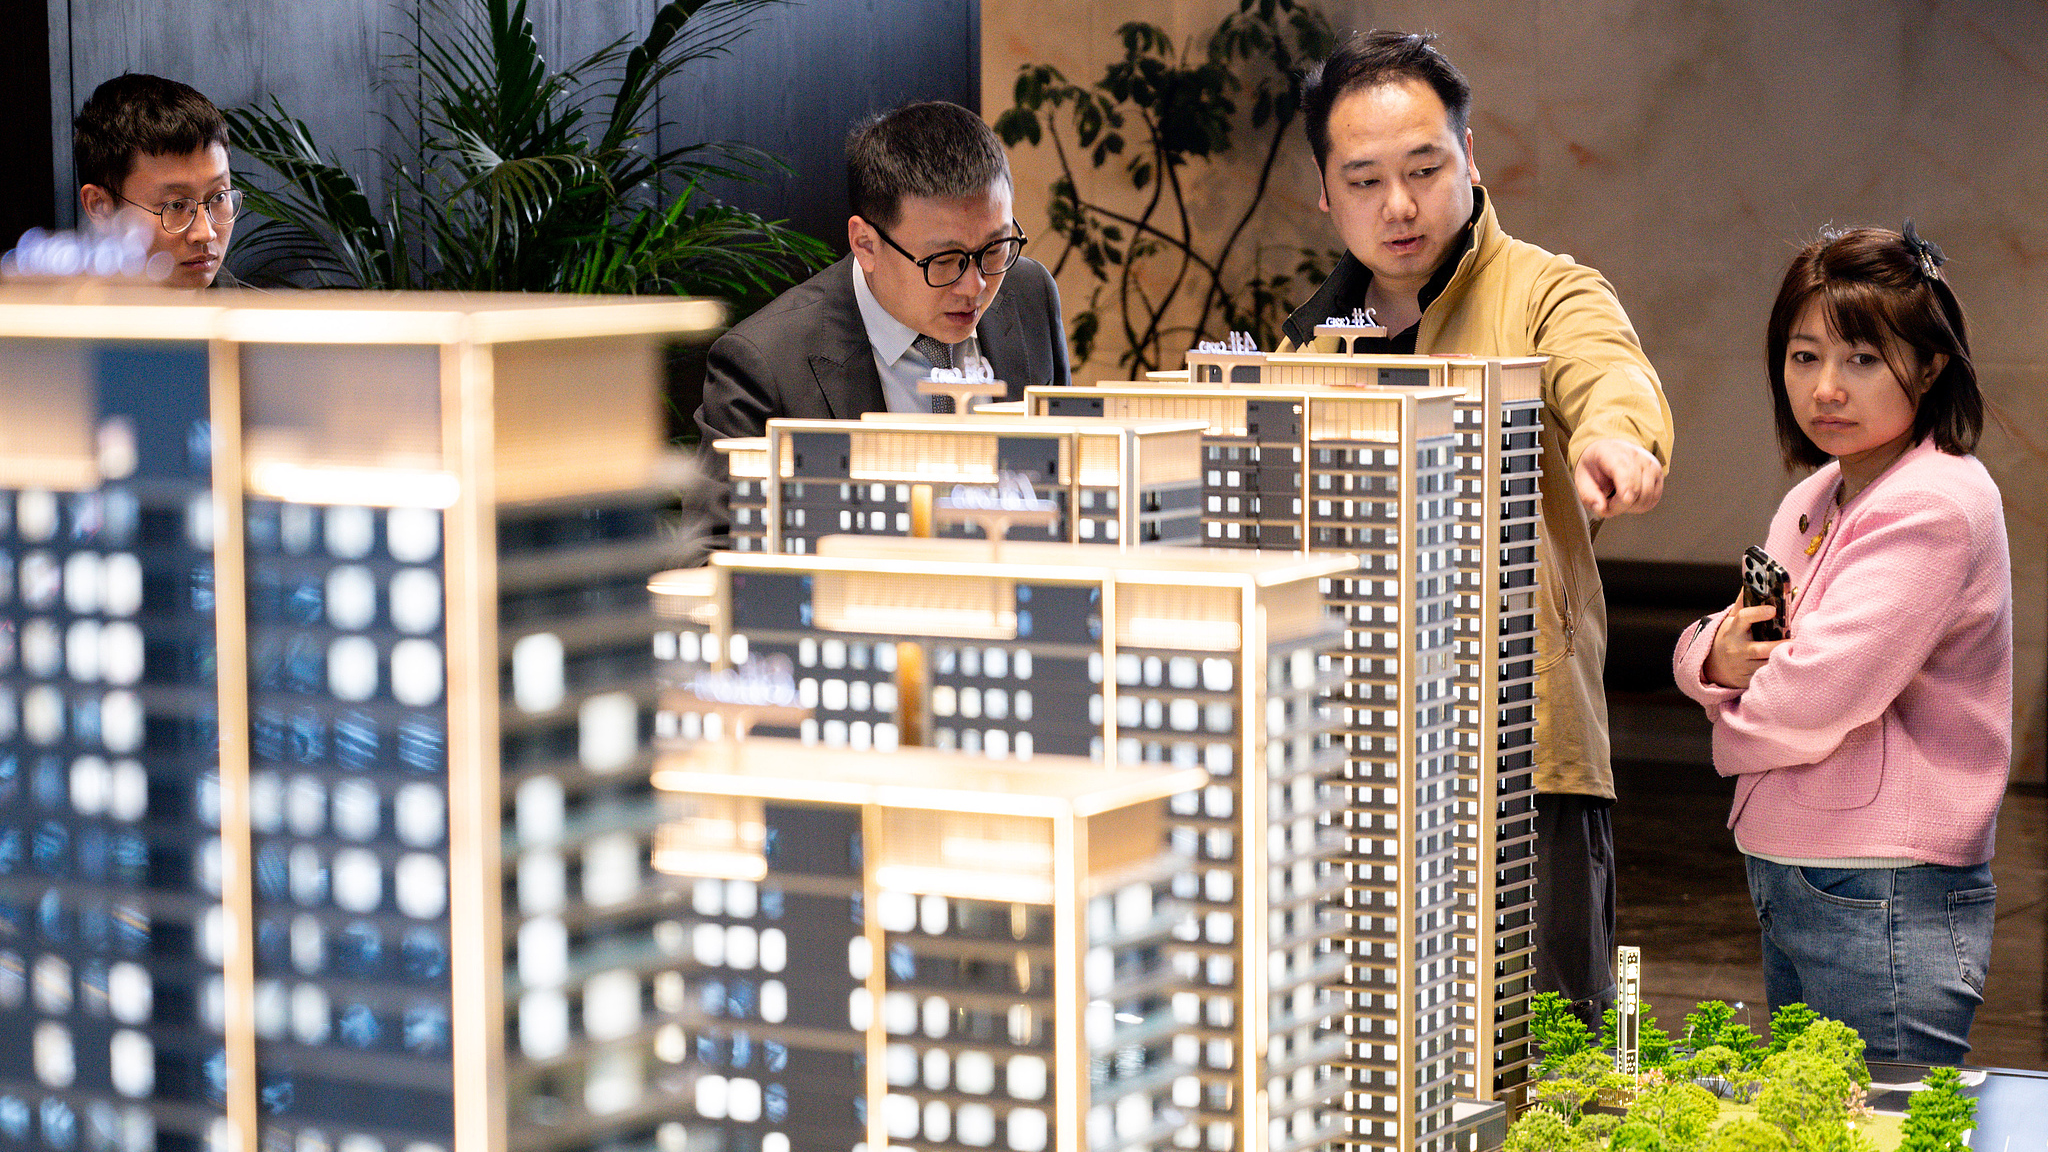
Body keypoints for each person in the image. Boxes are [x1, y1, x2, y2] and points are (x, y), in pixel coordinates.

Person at [1283, 30, 1674, 1028]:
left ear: (1469, 159)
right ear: (1326, 193)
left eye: (1423, 169)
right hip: (1352, 764)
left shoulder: (1545, 290)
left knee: (1546, 1060)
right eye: (1364, 179)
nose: (1398, 205)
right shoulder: (1305, 342)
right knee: (1373, 1054)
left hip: (1520, 761)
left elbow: (1606, 371)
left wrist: (1616, 441)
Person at [1672, 225, 2009, 1064]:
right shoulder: (1818, 497)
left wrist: (1729, 716)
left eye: (1862, 358)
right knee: (1819, 1125)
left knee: (1879, 1128)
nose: (1826, 387)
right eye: (1804, 355)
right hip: (1802, 869)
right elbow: (1724, 646)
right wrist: (1716, 661)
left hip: (1882, 884)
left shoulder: (1934, 504)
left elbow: (1812, 693)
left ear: (1930, 366)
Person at [694, 100, 1068, 448]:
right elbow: (727, 521)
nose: (976, 286)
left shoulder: (1029, 293)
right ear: (866, 244)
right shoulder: (765, 366)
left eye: (996, 247)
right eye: (943, 260)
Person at [74, 74, 242, 289]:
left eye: (219, 197)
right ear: (100, 206)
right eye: (175, 205)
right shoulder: (46, 319)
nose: (206, 233)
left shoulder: (270, 320)